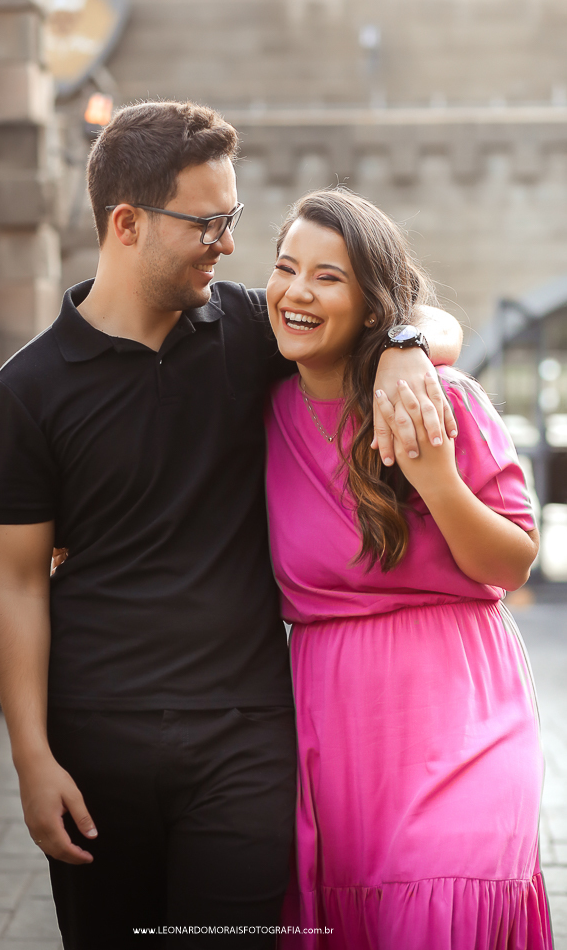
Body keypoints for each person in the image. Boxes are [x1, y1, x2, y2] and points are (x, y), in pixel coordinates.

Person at [0, 101, 463, 949]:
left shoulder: (250, 329)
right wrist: (31, 757)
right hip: (94, 741)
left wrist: (405, 346)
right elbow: (14, 579)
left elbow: (407, 313)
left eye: (230, 219)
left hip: (244, 738)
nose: (228, 244)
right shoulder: (27, 391)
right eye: (206, 223)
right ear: (126, 223)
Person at [263, 187, 552, 949]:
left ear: (370, 306)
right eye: (285, 268)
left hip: (464, 712)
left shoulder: (442, 397)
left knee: (439, 906)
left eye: (327, 277)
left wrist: (436, 480)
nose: (296, 291)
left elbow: (513, 560)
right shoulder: (256, 411)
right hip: (332, 737)